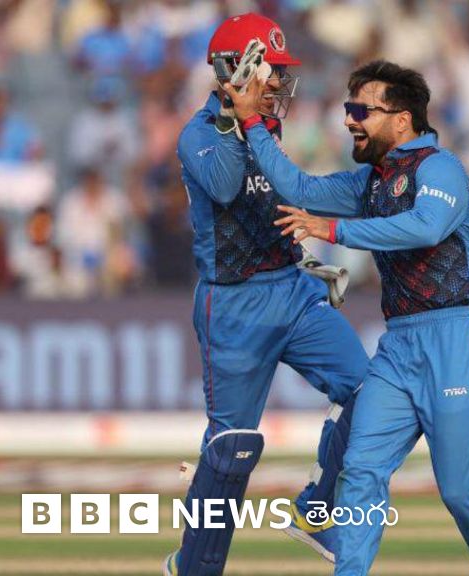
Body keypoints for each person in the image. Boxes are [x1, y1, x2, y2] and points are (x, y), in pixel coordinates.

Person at [227, 59, 469, 576]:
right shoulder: (371, 181)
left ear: (401, 119)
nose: (349, 119)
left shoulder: (440, 168)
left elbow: (425, 227)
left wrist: (334, 231)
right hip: (399, 345)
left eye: (361, 110)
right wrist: (251, 122)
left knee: (462, 489)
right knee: (359, 472)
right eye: (348, 109)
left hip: (456, 338)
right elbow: (300, 189)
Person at [163, 13, 369, 575]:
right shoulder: (198, 134)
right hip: (234, 305)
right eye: (268, 69)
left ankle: (316, 510)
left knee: (370, 391)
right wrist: (242, 117)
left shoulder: (268, 125)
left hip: (292, 291)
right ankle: (193, 568)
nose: (277, 81)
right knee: (232, 449)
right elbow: (227, 185)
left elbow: (282, 194)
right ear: (235, 69)